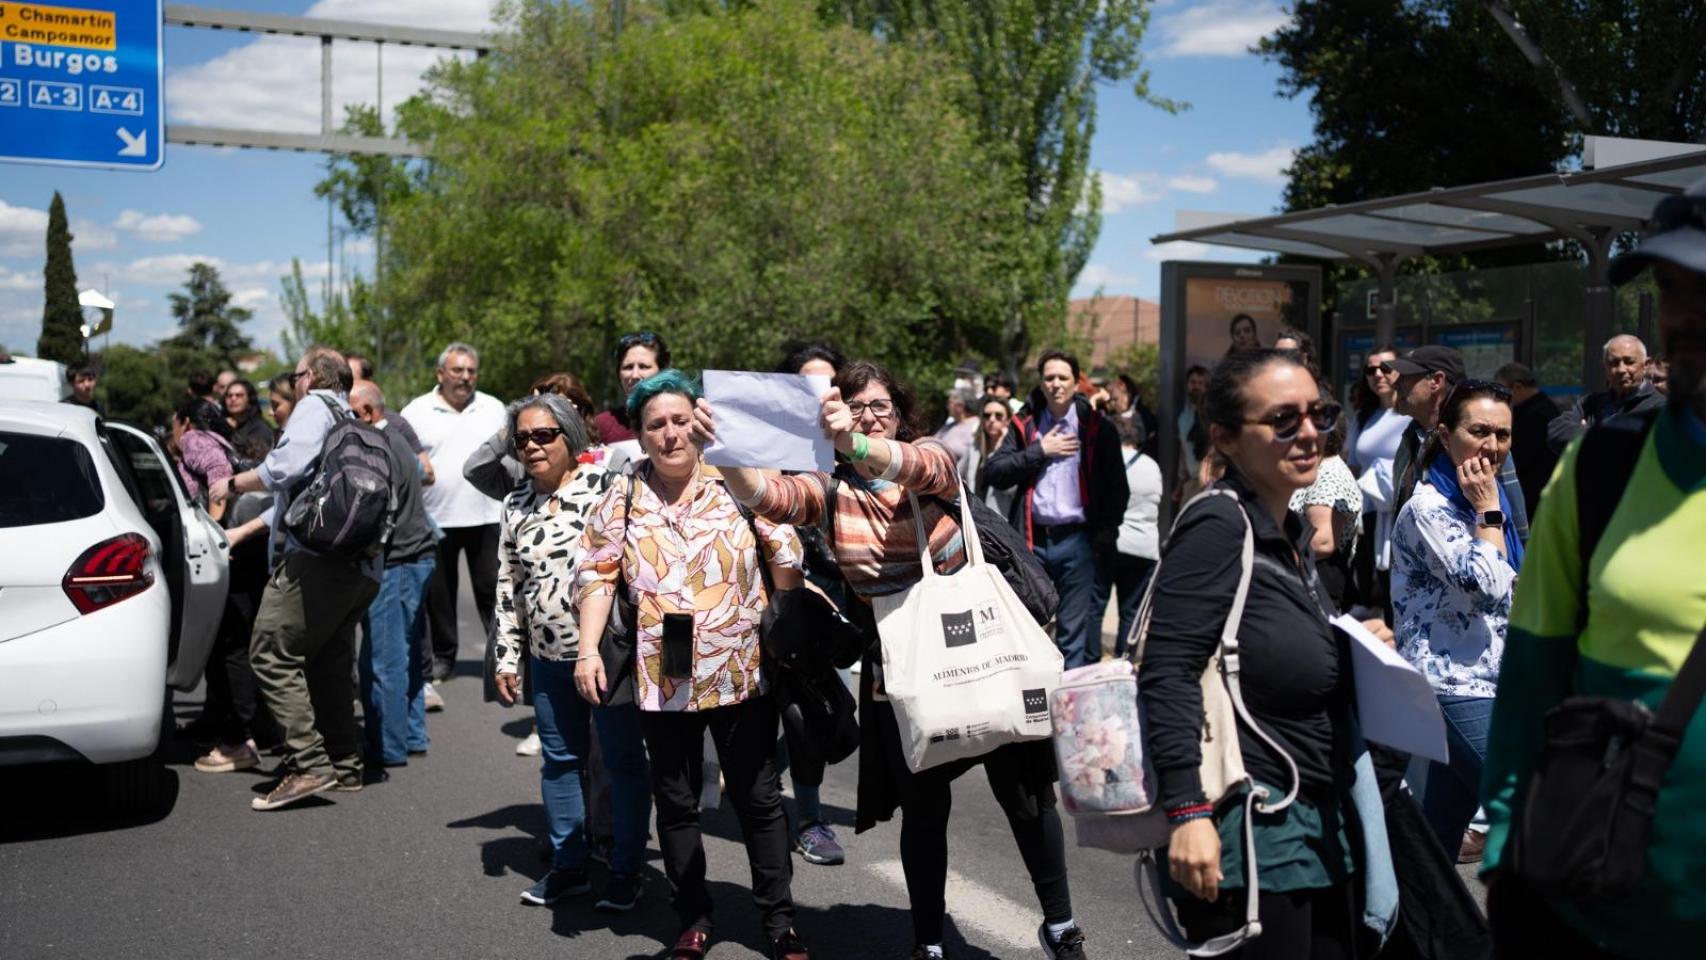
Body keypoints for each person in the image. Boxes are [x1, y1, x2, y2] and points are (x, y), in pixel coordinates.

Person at [710, 360, 1089, 960]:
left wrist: (855, 440)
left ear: (900, 413)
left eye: (879, 407)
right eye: (855, 407)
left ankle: (1060, 924)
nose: (867, 416)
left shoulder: (929, 457)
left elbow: (920, 466)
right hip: (905, 671)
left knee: (1025, 793)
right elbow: (766, 497)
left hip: (983, 652)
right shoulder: (832, 492)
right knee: (925, 808)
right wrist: (722, 447)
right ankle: (929, 941)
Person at [1481, 181, 1706, 959]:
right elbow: (1531, 680)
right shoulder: (1600, 468)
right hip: (1596, 921)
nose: (1684, 314)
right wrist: (1510, 857)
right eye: (1672, 289)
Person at [1140, 349, 1391, 959]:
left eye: (1319, 413)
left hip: (1315, 822)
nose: (1309, 432)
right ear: (1225, 437)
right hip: (1254, 830)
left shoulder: (1288, 533)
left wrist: (1352, 645)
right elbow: (1166, 670)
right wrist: (1187, 813)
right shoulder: (1219, 526)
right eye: (1282, 420)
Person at [573, 370, 810, 960]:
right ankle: (693, 918)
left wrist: (788, 626)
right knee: (676, 803)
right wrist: (586, 650)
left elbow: (786, 552)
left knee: (756, 797)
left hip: (741, 667)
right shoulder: (622, 495)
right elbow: (596, 574)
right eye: (656, 425)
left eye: (681, 421)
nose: (671, 434)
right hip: (664, 673)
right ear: (640, 434)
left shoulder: (736, 481)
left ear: (701, 422)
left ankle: (779, 923)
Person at [490, 393, 652, 911]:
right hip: (547, 656)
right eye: (522, 439)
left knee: (623, 764)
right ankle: (569, 866)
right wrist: (506, 656)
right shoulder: (516, 504)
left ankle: (627, 869)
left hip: (608, 656)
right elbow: (508, 584)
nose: (533, 447)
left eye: (544, 435)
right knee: (560, 764)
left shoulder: (609, 490)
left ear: (569, 436)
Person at [208, 347, 381, 811]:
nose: (294, 382)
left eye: (296, 374)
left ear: (312, 378)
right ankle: (345, 766)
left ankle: (308, 763)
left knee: (268, 650)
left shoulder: (313, 407)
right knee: (327, 662)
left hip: (314, 562)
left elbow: (283, 469)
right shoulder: (355, 420)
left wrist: (233, 483)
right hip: (360, 565)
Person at [1392, 381, 1519, 862]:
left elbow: (1510, 586)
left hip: (1490, 680)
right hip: (1450, 686)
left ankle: (1415, 931)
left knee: (1435, 841)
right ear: (1445, 436)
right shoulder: (1430, 509)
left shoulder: (1484, 503)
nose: (1491, 446)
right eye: (1479, 431)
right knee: (1522, 800)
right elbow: (1487, 582)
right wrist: (1489, 508)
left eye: (1503, 435)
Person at [984, 349, 1128, 669]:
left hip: (1079, 543)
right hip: (1034, 541)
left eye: (1063, 378)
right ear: (1041, 382)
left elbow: (1119, 490)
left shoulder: (1098, 428)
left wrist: (1102, 537)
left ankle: (1066, 712)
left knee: (1072, 637)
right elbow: (995, 471)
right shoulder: (1026, 424)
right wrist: (1040, 451)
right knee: (1028, 628)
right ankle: (1034, 708)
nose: (1056, 384)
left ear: (1076, 383)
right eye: (1049, 378)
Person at [401, 342, 508, 686]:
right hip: (436, 517)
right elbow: (404, 461)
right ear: (440, 374)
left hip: (488, 514)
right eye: (457, 370)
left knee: (493, 590)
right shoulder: (416, 411)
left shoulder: (494, 408)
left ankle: (501, 658)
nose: (465, 377)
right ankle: (444, 657)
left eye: (471, 371)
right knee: (440, 595)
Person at [349, 381, 439, 770]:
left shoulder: (381, 446)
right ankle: (411, 734)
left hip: (399, 562)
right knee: (401, 654)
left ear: (369, 413)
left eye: (349, 415)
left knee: (384, 660)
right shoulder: (395, 441)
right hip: (414, 557)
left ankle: (388, 746)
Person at [1291, 399, 1362, 610]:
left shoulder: (1329, 473)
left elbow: (1323, 542)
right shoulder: (1317, 468)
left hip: (1320, 591)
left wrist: (1273, 556)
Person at [1547, 334, 1667, 453]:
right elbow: (1556, 431)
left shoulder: (1660, 406)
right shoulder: (1591, 402)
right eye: (1614, 363)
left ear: (1645, 365)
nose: (1621, 370)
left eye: (1629, 362)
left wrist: (1587, 431)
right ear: (1604, 366)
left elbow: (1634, 447)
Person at [1109, 416, 1161, 658]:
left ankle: (1087, 666)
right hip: (1144, 548)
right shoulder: (1153, 466)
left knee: (1094, 608)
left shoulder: (1110, 460)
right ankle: (1124, 662)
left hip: (1112, 543)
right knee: (1131, 613)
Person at [349, 353, 435, 485]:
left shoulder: (393, 426)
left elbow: (427, 474)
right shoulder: (332, 419)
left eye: (348, 379)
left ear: (368, 382)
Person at [1493, 361, 1561, 518]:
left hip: (1533, 497)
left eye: (1502, 391)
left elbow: (1519, 458)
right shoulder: (1544, 408)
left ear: (1517, 388)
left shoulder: (1533, 416)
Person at [590, 331, 669, 453]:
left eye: (643, 366)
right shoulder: (601, 425)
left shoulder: (681, 419)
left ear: (662, 372)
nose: (635, 375)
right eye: (628, 367)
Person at [169, 398, 238, 512]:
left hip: (209, 522)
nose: (173, 433)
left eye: (174, 426)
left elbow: (219, 467)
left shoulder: (192, 439)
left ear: (185, 423)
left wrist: (214, 521)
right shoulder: (214, 438)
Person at [958, 393, 1018, 517]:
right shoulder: (975, 447)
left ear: (1007, 421)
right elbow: (956, 475)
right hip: (973, 519)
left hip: (1000, 523)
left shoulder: (1014, 451)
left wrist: (1000, 448)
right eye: (987, 415)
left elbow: (1011, 490)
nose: (991, 420)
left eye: (998, 416)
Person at [1105, 373, 1159, 459]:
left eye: (1115, 399)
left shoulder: (1144, 416)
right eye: (1111, 400)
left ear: (1123, 387)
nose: (1113, 404)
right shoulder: (1111, 416)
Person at [1177, 364, 1211, 501]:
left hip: (1210, 482)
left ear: (1207, 387)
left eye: (1200, 383)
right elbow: (1184, 450)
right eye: (1193, 382)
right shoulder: (1184, 416)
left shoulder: (1213, 414)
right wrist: (1179, 486)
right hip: (1191, 483)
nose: (1196, 387)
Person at [222, 377, 276, 460]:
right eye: (229, 396)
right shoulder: (221, 425)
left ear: (249, 399)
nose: (233, 399)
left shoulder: (260, 429)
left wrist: (231, 433)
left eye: (239, 395)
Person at [933, 386, 978, 462]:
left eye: (950, 403)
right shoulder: (949, 425)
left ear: (961, 405)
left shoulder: (975, 426)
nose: (947, 407)